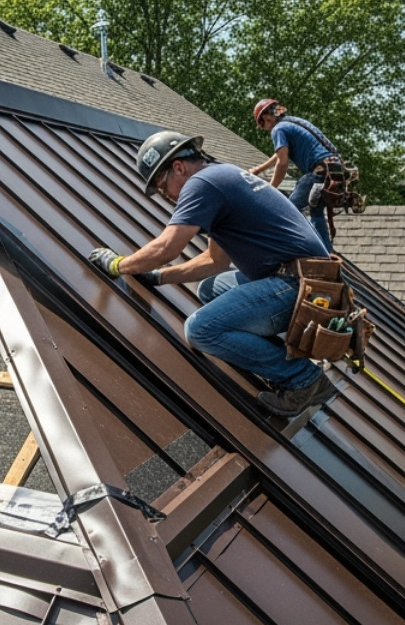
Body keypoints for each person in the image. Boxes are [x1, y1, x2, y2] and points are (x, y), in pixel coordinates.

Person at [87, 130, 337, 417]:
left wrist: (118, 264)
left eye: (161, 185)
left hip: (298, 285)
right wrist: (159, 277)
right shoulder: (220, 177)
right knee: (209, 288)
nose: (166, 197)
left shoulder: (200, 184)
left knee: (201, 330)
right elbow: (214, 261)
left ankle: (302, 378)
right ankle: (274, 354)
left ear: (178, 167)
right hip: (307, 280)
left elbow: (168, 246)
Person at [247, 99, 340, 249]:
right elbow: (280, 153)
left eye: (262, 125)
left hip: (319, 171)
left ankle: (285, 249)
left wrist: (270, 189)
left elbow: (282, 163)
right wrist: (259, 169)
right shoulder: (292, 122)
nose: (264, 129)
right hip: (334, 170)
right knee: (316, 211)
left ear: (265, 118)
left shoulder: (278, 129)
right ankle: (326, 252)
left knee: (288, 210)